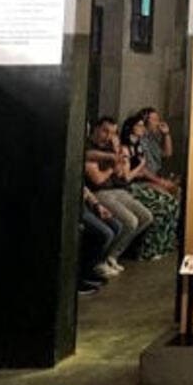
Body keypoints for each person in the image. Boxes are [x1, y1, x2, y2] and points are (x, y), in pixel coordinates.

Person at [84, 116, 153, 270]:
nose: (108, 136)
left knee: (146, 216)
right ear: (96, 129)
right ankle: (103, 259)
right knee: (131, 221)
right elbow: (98, 180)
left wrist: (117, 152)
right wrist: (111, 165)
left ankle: (113, 256)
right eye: (104, 131)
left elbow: (122, 174)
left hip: (116, 189)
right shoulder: (87, 146)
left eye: (112, 133)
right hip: (99, 192)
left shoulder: (110, 147)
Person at [119, 114, 180, 260]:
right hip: (131, 185)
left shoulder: (140, 144)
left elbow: (166, 154)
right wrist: (158, 181)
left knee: (171, 203)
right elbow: (132, 173)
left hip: (140, 181)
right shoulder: (125, 146)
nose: (142, 128)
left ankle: (163, 244)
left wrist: (166, 135)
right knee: (160, 206)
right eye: (139, 126)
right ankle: (147, 249)